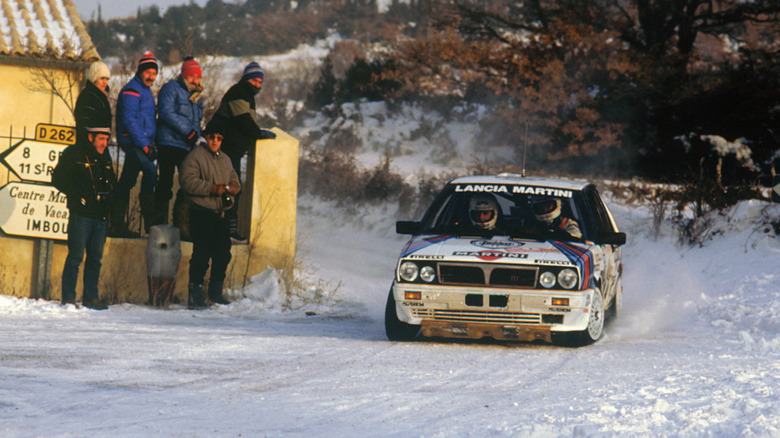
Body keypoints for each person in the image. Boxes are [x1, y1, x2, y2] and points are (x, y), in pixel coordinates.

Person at [52, 126, 116, 310]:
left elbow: (111, 180)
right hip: (81, 214)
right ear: (90, 137)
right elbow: (58, 179)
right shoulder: (74, 153)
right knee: (75, 257)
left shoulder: (105, 156)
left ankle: (91, 298)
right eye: (101, 139)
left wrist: (111, 197)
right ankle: (69, 298)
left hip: (101, 214)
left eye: (106, 139)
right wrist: (78, 196)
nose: (104, 143)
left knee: (95, 258)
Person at [179, 117, 241, 308]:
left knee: (223, 253)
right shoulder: (195, 156)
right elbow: (187, 181)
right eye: (212, 137)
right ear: (206, 137)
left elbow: (235, 180)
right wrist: (211, 188)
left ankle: (215, 292)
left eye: (219, 138)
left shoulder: (225, 159)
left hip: (220, 214)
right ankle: (195, 294)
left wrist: (232, 188)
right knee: (201, 253)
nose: (215, 141)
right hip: (201, 212)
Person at [212, 61, 275, 242]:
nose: (257, 85)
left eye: (259, 82)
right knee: (231, 189)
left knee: (233, 189)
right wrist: (258, 133)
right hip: (227, 149)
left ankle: (227, 230)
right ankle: (226, 231)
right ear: (246, 79)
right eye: (254, 80)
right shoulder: (239, 92)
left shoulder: (246, 94)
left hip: (234, 149)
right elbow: (243, 120)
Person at [111, 51, 159, 237]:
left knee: (126, 182)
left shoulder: (145, 92)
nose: (151, 77)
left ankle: (116, 223)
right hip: (132, 142)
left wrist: (149, 143)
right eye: (148, 72)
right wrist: (145, 145)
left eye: (154, 74)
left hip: (141, 142)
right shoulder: (132, 89)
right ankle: (150, 223)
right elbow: (130, 120)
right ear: (140, 72)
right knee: (150, 171)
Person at [154, 57, 204, 232]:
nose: (195, 80)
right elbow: (166, 112)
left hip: (186, 146)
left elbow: (197, 121)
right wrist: (187, 132)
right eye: (191, 76)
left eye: (198, 77)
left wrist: (196, 136)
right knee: (165, 183)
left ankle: (181, 225)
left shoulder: (198, 96)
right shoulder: (170, 89)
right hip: (168, 143)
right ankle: (159, 225)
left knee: (188, 184)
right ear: (184, 75)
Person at [74, 61, 112, 146]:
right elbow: (84, 126)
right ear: (94, 78)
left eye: (107, 79)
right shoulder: (88, 97)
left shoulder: (101, 97)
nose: (105, 82)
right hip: (90, 146)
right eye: (102, 78)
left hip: (100, 145)